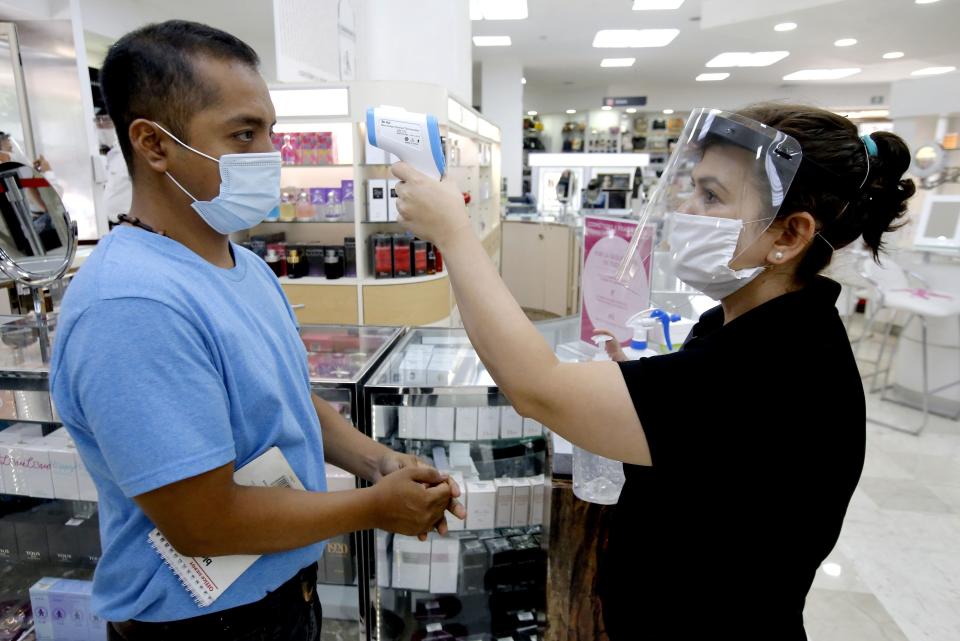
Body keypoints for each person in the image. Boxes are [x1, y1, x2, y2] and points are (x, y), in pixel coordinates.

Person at [391, 104, 916, 639]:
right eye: (691, 188)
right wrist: (643, 387)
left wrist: (453, 235)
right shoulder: (752, 326)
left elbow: (538, 388)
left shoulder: (772, 364)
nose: (684, 208)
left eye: (711, 196)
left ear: (788, 236)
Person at [50, 20, 463, 641]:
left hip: (282, 596)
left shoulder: (239, 263)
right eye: (244, 135)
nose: (269, 155)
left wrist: (377, 462)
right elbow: (204, 524)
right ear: (153, 145)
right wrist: (375, 507)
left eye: (271, 132)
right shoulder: (132, 305)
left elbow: (291, 399)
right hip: (201, 624)